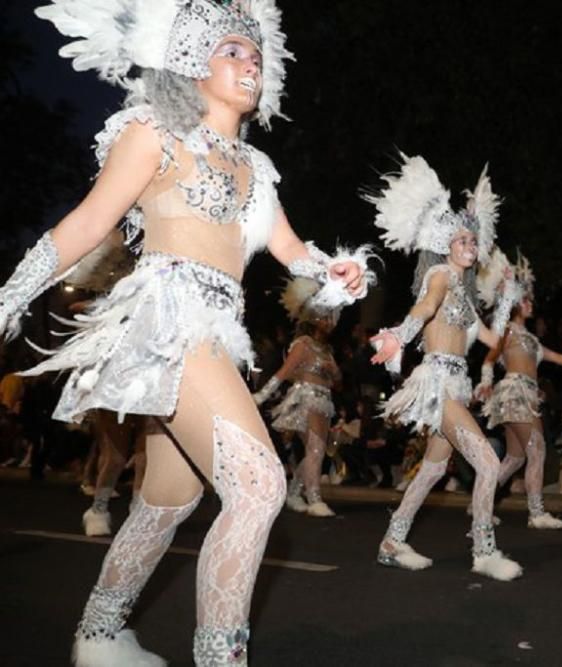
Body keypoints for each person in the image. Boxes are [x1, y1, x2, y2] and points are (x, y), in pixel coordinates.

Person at [4, 2, 374, 664]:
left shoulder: (256, 169)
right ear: (190, 63)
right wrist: (6, 296)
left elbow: (291, 250)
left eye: (255, 54)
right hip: (168, 320)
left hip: (217, 334)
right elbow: (88, 224)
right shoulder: (154, 131)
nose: (249, 61)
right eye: (232, 50)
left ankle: (99, 634)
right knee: (259, 484)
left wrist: (334, 271)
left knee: (166, 501)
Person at [366, 153, 522, 581]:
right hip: (436, 381)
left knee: (433, 470)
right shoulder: (440, 275)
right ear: (445, 244)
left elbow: (493, 340)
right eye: (462, 241)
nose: (470, 248)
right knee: (488, 463)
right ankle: (484, 550)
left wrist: (507, 299)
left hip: (457, 385)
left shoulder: (466, 294)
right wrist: (401, 333)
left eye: (473, 242)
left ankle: (392, 542)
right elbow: (427, 304)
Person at [477, 250, 562, 528]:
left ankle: (480, 507)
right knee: (537, 449)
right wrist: (485, 382)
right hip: (513, 392)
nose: (530, 304)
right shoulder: (507, 330)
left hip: (526, 394)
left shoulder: (531, 339)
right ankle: (536, 514)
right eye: (525, 300)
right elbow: (489, 359)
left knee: (515, 457)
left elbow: (559, 358)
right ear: (514, 303)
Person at [253, 288, 342, 517]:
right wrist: (261, 396)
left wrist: (334, 371)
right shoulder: (302, 344)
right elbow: (284, 372)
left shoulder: (328, 350)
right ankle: (314, 498)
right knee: (314, 449)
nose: (329, 322)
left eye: (331, 318)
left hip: (325, 400)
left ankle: (293, 493)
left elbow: (338, 382)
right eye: (324, 317)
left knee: (317, 451)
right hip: (305, 398)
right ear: (313, 319)